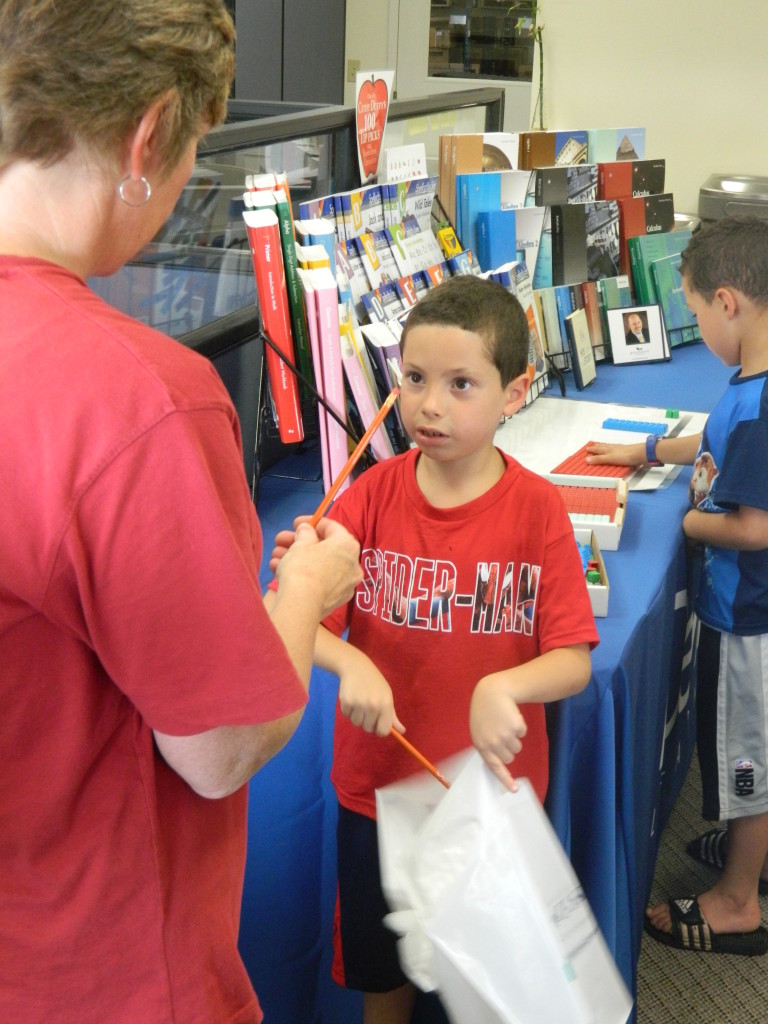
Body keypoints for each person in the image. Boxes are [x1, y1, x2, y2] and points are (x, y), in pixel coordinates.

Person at [0, 3, 362, 1022]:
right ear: (151, 132)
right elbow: (222, 744)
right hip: (101, 971)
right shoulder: (135, 396)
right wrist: (304, 591)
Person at [274, 275, 599, 1023]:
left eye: (460, 385)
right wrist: (343, 650)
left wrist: (504, 687)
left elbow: (573, 660)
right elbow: (295, 614)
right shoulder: (370, 496)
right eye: (415, 379)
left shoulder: (537, 509)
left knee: (485, 994)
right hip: (380, 796)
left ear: (514, 393)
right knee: (383, 981)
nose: (428, 405)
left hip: (491, 804)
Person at [587, 215, 768, 957]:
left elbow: (754, 529)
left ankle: (737, 900)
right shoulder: (752, 381)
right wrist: (650, 450)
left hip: (747, 612)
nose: (696, 324)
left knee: (744, 755)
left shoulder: (761, 405)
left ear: (726, 302)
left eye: (694, 311)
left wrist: (685, 523)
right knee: (748, 751)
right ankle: (747, 852)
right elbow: (720, 439)